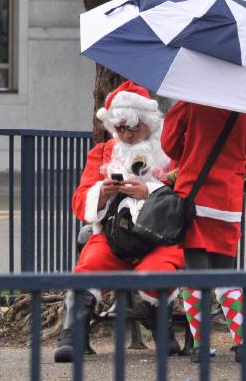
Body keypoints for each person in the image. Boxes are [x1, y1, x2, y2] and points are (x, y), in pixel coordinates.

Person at [54, 81, 184, 363]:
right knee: (89, 267)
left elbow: (183, 197)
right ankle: (72, 334)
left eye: (132, 127)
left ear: (149, 122)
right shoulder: (103, 152)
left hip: (159, 238)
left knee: (159, 270)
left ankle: (163, 328)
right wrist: (101, 193)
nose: (125, 135)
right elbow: (79, 202)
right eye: (119, 128)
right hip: (113, 235)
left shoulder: (171, 152)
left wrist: (148, 191)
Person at [161, 101, 246, 355]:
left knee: (196, 277)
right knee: (225, 276)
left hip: (194, 195)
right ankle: (243, 344)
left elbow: (169, 144)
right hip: (228, 202)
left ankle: (199, 346)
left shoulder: (190, 101)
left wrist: (193, 146)